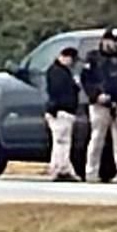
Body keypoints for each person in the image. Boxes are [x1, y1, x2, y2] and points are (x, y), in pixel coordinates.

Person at [81, 27, 117, 183]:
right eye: (112, 41)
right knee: (97, 138)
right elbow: (86, 81)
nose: (114, 45)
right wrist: (96, 96)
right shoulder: (93, 58)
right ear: (104, 40)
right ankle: (91, 172)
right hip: (100, 104)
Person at [45, 46, 80, 181]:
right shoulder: (56, 72)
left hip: (65, 111)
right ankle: (59, 169)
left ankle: (61, 167)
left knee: (62, 142)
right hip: (60, 111)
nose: (72, 63)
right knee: (61, 141)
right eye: (71, 59)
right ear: (65, 57)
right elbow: (57, 92)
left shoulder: (64, 72)